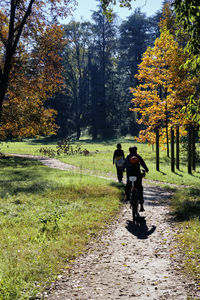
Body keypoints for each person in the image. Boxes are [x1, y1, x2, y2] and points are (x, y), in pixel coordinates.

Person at [123, 145, 149, 212]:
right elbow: (143, 163)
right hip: (137, 175)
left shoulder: (128, 157)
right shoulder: (138, 156)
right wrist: (146, 169)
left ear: (129, 151)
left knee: (128, 185)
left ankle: (127, 197)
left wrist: (123, 169)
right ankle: (142, 206)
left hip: (130, 174)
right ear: (136, 150)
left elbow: (124, 165)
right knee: (140, 188)